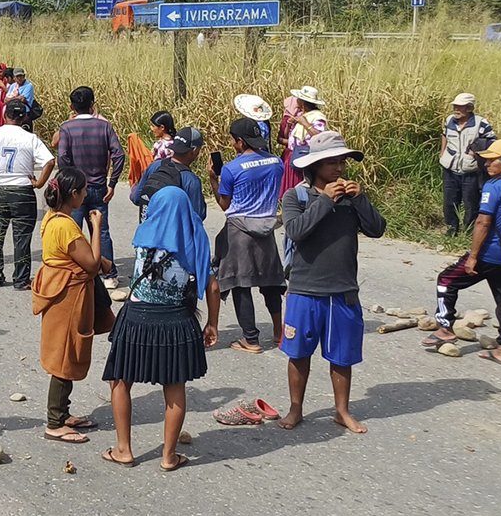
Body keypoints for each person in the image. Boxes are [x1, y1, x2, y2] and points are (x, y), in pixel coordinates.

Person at [102, 187, 220, 470]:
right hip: (176, 322)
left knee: (119, 380)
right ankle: (168, 456)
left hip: (137, 318)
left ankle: (123, 449)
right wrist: (212, 323)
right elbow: (213, 286)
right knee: (175, 386)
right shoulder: (194, 238)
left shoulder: (144, 235)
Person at [279, 131, 385, 433]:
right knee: (299, 353)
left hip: (343, 290)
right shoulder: (296, 196)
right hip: (305, 289)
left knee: (342, 356)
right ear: (315, 165)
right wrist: (325, 200)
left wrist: (360, 199)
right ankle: (295, 408)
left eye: (342, 162)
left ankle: (342, 410)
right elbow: (296, 231)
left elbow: (377, 229)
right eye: (331, 163)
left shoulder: (352, 199)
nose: (339, 168)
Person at [426, 140, 501, 366]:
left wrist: (473, 256)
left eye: (491, 159)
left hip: (489, 252)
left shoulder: (494, 186)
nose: (486, 163)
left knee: (446, 281)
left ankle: (445, 328)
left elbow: (483, 222)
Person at [33, 168, 115, 445]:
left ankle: (63, 413)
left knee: (66, 350)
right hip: (68, 295)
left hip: (61, 289)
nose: (86, 194)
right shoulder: (65, 226)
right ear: (74, 194)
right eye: (83, 190)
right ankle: (54, 423)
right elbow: (90, 264)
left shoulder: (52, 218)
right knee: (64, 354)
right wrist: (97, 227)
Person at [211, 117, 287, 353]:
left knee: (240, 283)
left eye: (234, 141)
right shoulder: (276, 162)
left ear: (241, 141)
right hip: (266, 227)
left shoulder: (231, 169)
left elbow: (225, 204)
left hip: (239, 231)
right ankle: (278, 332)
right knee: (271, 281)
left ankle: (251, 339)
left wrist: (213, 179)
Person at [0, 100, 56, 290]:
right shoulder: (30, 138)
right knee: (22, 238)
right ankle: (21, 279)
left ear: (4, 115)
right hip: (23, 191)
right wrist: (39, 183)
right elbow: (49, 161)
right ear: (24, 117)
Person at [56, 86, 125, 284]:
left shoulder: (67, 128)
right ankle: (109, 275)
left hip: (75, 189)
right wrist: (113, 182)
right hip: (98, 186)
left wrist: (68, 180)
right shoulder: (104, 126)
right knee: (101, 231)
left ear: (72, 106)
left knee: (73, 230)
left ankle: (75, 272)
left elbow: (62, 156)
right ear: (92, 104)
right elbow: (119, 154)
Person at [438, 92, 495, 236]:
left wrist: (476, 152)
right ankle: (451, 229)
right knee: (449, 202)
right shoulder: (449, 120)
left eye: (460, 107)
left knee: (471, 203)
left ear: (469, 108)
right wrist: (442, 152)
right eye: (455, 106)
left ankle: (468, 232)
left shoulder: (481, 123)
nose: (456, 109)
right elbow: (444, 135)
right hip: (450, 167)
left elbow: (491, 141)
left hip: (470, 170)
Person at [133, 126, 207, 221]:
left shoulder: (154, 166)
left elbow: (136, 198)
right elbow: (198, 216)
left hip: (147, 229)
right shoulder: (191, 180)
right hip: (173, 230)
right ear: (194, 150)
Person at [280, 85, 329, 194]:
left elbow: (319, 137)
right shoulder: (301, 114)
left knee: (301, 185)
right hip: (294, 154)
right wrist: (290, 125)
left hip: (305, 156)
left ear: (302, 102)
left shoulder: (317, 117)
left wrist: (305, 124)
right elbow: (289, 137)